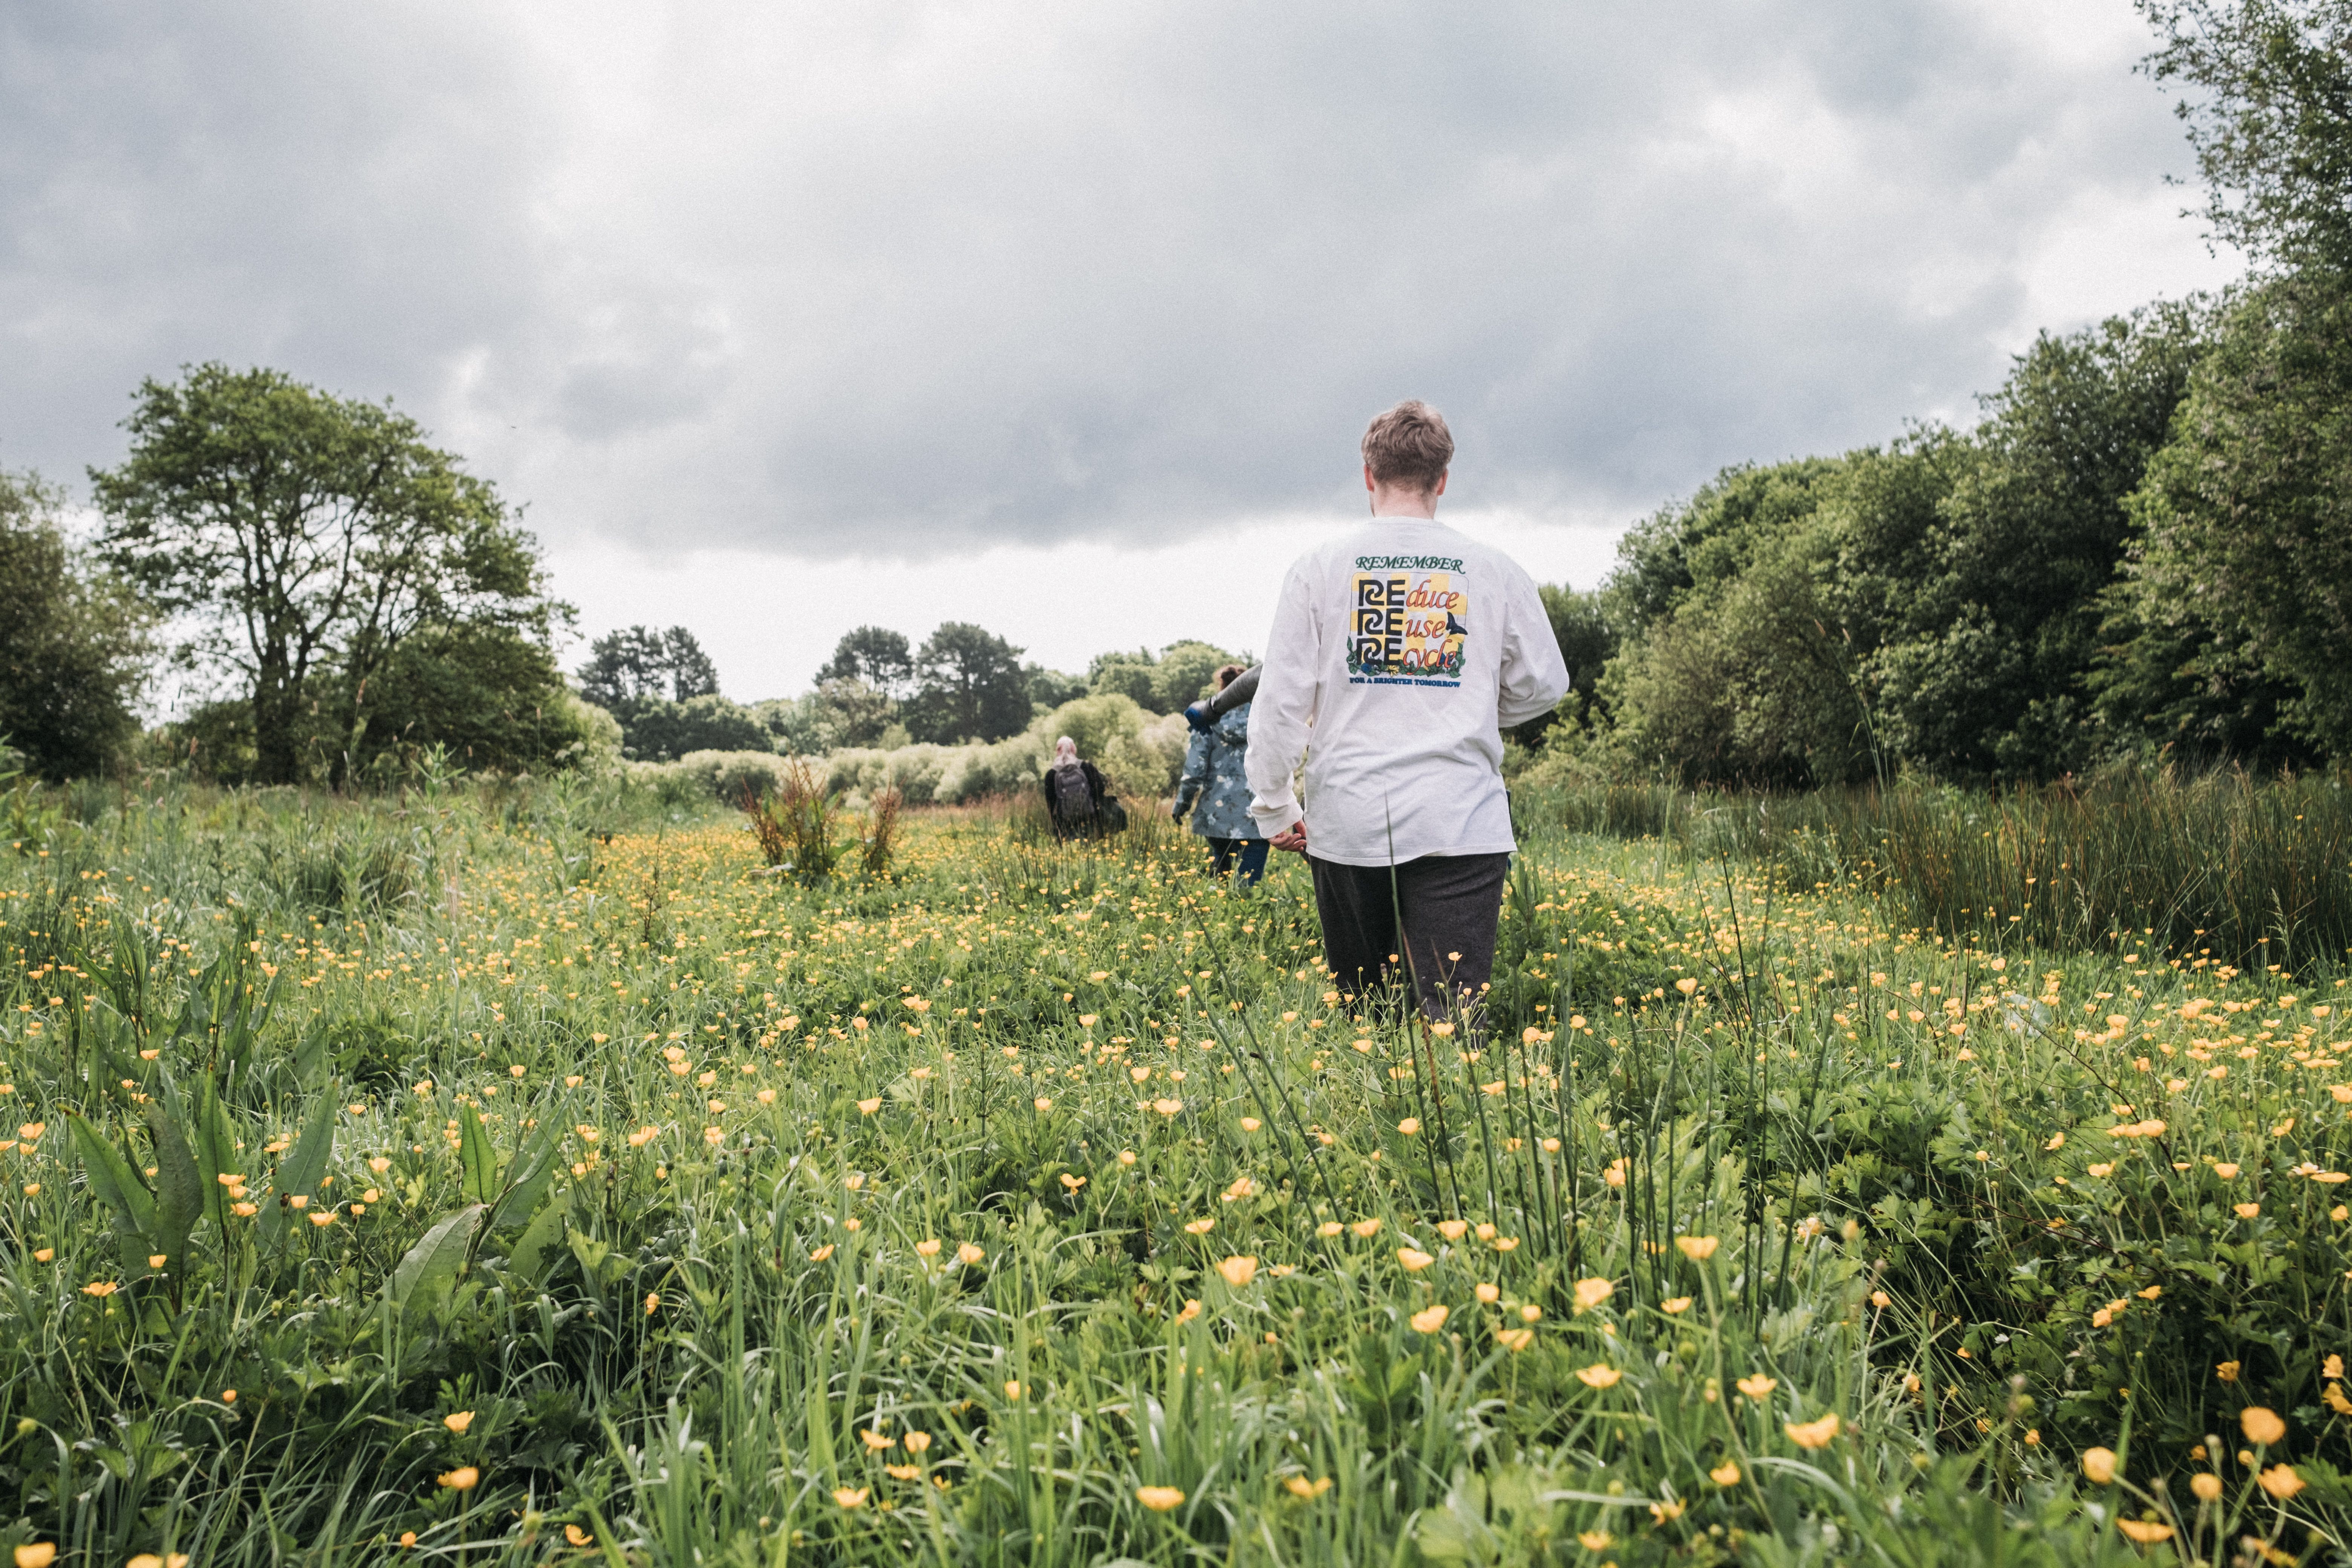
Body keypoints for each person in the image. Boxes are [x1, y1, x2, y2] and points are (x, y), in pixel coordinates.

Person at [1244, 400, 1568, 1021]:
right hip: (1462, 819)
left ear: (1368, 474)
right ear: (1442, 479)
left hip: (1347, 817)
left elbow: (1281, 701)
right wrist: (1468, 706)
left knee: (1367, 1015)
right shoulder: (1495, 570)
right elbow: (1546, 684)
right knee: (1450, 1018)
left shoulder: (1318, 568)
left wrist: (1274, 804)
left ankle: (1372, 1112)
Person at [1173, 664, 1269, 885]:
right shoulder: (1264, 718)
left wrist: (1182, 805)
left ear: (1223, 687)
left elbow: (1194, 770)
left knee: (1219, 878)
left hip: (1214, 814)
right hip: (1257, 813)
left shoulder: (1205, 719)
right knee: (1248, 887)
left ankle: (1215, 908)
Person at [1041, 735, 1116, 840]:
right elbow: (1100, 789)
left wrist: (1056, 824)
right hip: (1090, 818)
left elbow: (1050, 802)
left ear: (1058, 751)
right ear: (1073, 749)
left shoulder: (1051, 774)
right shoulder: (1086, 767)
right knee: (1092, 846)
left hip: (1065, 822)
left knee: (1068, 851)